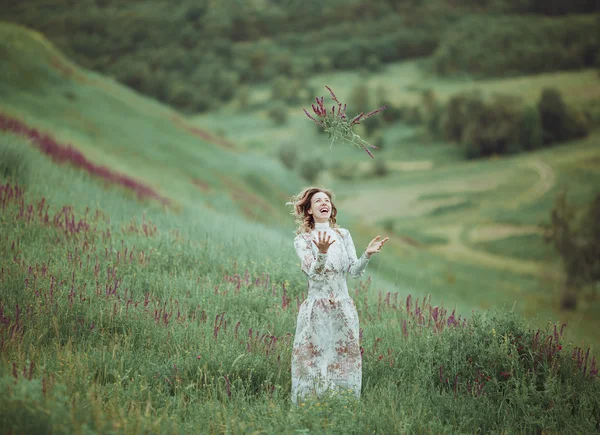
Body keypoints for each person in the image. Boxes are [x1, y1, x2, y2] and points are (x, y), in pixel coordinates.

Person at [287, 187, 389, 404]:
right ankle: (310, 406)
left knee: (345, 358)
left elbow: (354, 271)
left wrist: (367, 255)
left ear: (331, 208)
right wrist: (322, 252)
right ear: (309, 210)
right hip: (316, 309)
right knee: (314, 359)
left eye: (327, 200)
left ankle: (342, 405)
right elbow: (313, 273)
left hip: (343, 308)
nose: (324, 203)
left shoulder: (343, 235)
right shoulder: (303, 239)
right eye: (318, 201)